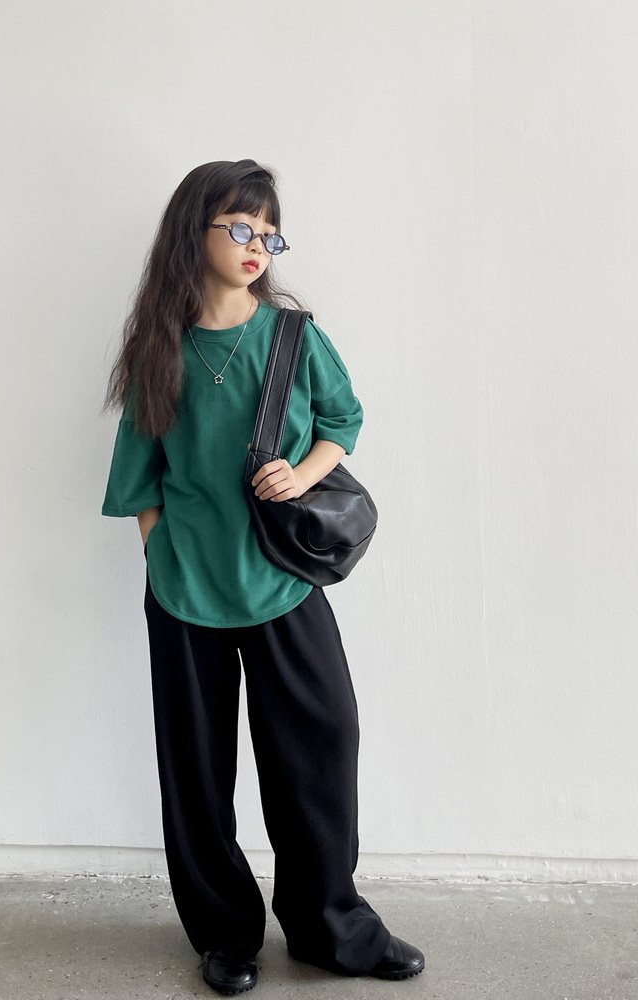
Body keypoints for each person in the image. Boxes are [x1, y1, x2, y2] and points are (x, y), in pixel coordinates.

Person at [100, 158, 425, 995]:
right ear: (195, 231)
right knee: (197, 773)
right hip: (185, 591)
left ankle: (330, 927)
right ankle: (224, 936)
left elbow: (343, 420)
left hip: (282, 579)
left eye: (270, 233)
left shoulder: (292, 337)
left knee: (322, 744)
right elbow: (140, 480)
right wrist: (160, 556)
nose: (257, 245)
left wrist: (303, 472)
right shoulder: (158, 352)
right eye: (241, 226)